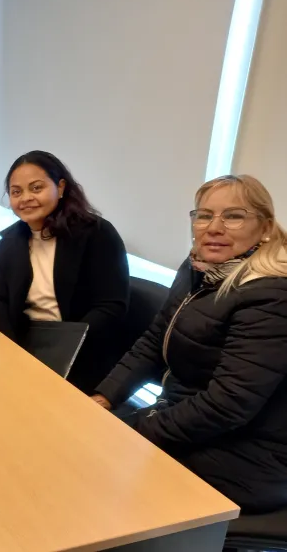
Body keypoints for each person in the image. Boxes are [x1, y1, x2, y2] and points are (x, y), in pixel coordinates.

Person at [93, 174, 287, 513]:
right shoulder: (199, 266)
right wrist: (104, 398)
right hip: (188, 421)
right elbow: (154, 340)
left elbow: (227, 405)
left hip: (251, 452)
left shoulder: (271, 295)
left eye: (234, 216)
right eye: (204, 215)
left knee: (108, 483)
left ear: (266, 227)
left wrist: (138, 429)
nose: (214, 227)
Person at [0, 150, 130, 394]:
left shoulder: (97, 234)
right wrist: (10, 349)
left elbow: (111, 306)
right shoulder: (12, 240)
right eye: (16, 192)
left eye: (36, 188)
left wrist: (65, 346)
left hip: (80, 352)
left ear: (60, 188)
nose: (26, 198)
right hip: (25, 342)